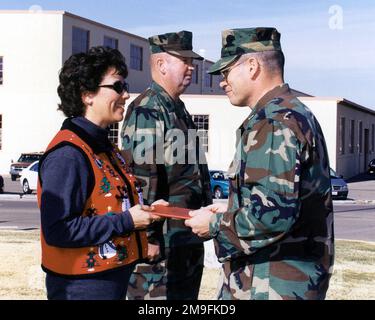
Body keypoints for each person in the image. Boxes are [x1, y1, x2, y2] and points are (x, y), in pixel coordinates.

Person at [185, 27, 334, 300]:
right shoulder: (291, 113)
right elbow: (281, 198)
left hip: (271, 283)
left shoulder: (273, 122)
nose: (222, 82)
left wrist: (215, 223)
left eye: (226, 72)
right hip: (279, 278)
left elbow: (269, 215)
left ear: (252, 66)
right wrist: (230, 207)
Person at [37, 46, 163, 300]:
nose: (126, 95)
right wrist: (127, 221)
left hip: (108, 281)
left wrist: (148, 211)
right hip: (82, 287)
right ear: (87, 95)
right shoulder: (68, 154)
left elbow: (108, 203)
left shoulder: (103, 147)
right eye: (117, 87)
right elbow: (59, 229)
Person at [121, 31, 213, 300]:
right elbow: (140, 177)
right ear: (161, 65)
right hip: (161, 246)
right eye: (184, 60)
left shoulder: (177, 108)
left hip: (184, 242)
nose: (191, 66)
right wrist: (148, 236)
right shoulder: (147, 109)